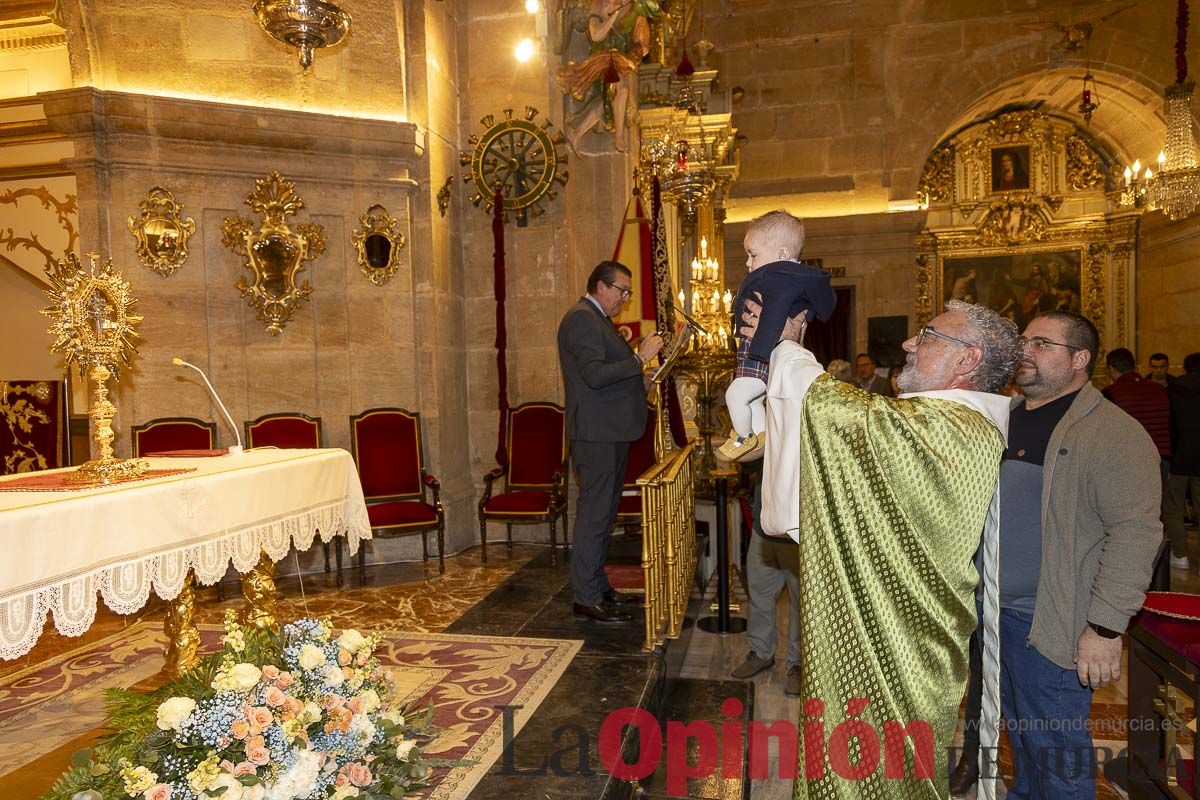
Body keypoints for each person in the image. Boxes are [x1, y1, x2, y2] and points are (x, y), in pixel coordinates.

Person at [754, 298, 1021, 799]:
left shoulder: (950, 428)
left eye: (928, 335)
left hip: (906, 647)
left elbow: (835, 410)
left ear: (968, 360)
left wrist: (787, 346)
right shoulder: (942, 423)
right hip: (891, 631)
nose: (908, 343)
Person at [950, 312, 1162, 798]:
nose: (1026, 352)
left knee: (1057, 753)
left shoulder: (1111, 432)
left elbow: (1134, 533)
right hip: (994, 614)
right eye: (1023, 342)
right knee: (1022, 743)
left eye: (1042, 344)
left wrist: (1106, 628)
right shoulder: (1005, 415)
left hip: (1051, 622)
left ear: (1079, 359)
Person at [557, 260, 663, 624]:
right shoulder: (582, 319)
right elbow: (595, 375)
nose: (625, 298)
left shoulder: (597, 319)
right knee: (594, 515)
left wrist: (640, 381)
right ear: (601, 286)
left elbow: (606, 378)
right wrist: (639, 358)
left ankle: (598, 587)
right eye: (622, 290)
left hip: (610, 431)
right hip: (596, 435)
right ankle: (585, 597)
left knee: (604, 515)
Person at [717, 210, 836, 462]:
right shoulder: (779, 277)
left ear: (781, 254)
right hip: (759, 354)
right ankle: (759, 437)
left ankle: (743, 437)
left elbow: (773, 318)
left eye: (753, 255)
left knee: (735, 395)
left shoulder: (779, 278)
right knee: (752, 402)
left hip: (760, 355)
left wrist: (759, 352)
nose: (748, 263)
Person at [728, 458, 803, 697]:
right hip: (765, 523)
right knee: (759, 592)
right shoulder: (769, 420)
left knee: (802, 602)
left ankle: (799, 665)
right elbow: (748, 463)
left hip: (797, 526)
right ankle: (761, 653)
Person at [1103, 347, 1174, 561]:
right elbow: (1171, 425)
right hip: (1162, 457)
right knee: (1156, 511)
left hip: (1126, 460)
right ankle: (1159, 559)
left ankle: (1136, 560)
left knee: (1129, 515)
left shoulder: (1111, 393)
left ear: (1112, 369)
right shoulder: (1159, 390)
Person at [1165, 353, 1200, 569]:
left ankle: (1180, 555)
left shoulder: (1172, 390)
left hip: (1178, 456)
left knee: (1173, 506)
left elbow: (1167, 424)